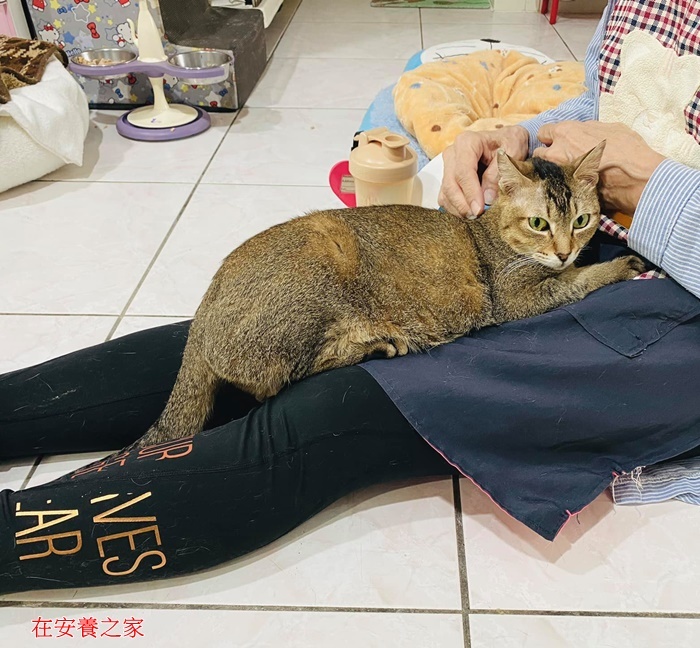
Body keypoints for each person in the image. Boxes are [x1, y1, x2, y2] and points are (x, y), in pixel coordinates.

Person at [1, 0, 699, 595]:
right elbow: (599, 105)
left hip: (670, 297)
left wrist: (653, 186)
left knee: (332, 407)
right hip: (582, 224)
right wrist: (522, 138)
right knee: (223, 335)